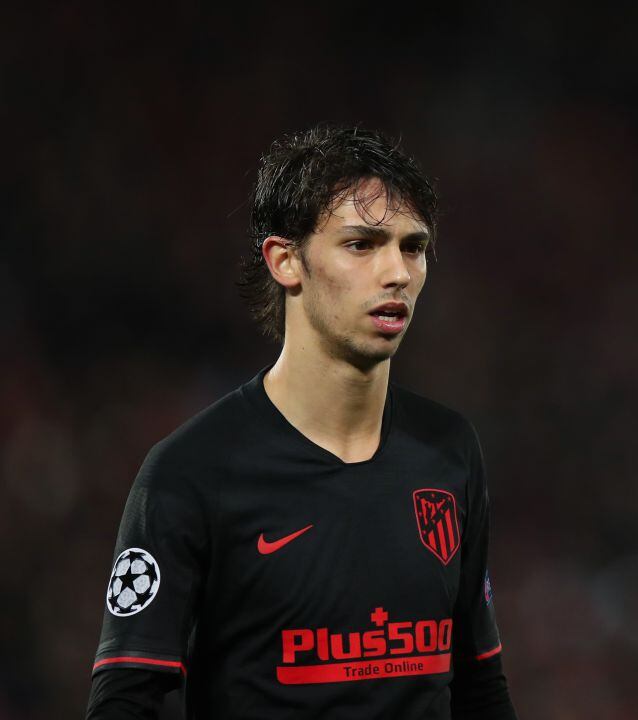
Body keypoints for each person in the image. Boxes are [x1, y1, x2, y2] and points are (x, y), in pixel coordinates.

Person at [85, 125, 517, 719]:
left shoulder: (448, 450)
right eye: (361, 244)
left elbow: (480, 687)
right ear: (285, 261)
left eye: (412, 246)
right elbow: (125, 704)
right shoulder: (191, 473)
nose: (396, 272)